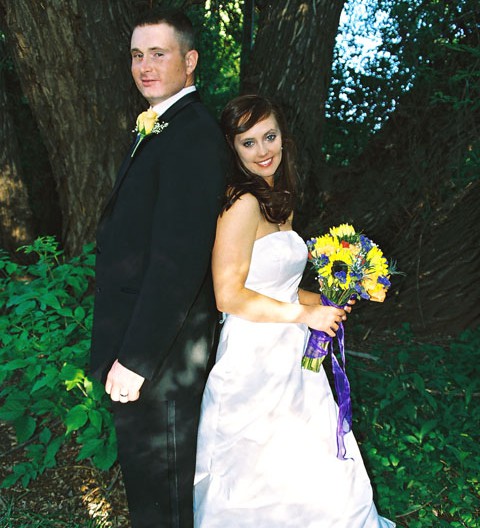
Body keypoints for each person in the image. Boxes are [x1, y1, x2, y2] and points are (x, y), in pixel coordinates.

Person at [193, 95, 395, 527]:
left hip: (293, 353)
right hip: (253, 359)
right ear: (233, 149)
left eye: (269, 136)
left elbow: (278, 286)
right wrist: (307, 316)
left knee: (309, 457)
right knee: (259, 466)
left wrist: (325, 302)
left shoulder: (277, 200)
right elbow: (228, 296)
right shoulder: (241, 205)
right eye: (249, 143)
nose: (263, 151)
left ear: (284, 137)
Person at [89, 9, 227, 528]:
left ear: (189, 62)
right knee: (149, 497)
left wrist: (138, 358)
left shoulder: (192, 135)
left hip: (161, 360)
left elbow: (179, 260)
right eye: (136, 55)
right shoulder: (162, 125)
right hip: (141, 348)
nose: (144, 66)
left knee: (162, 503)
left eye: (158, 53)